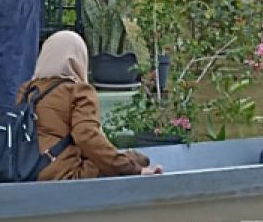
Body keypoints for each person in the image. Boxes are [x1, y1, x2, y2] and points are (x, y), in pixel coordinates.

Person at [20, 31, 162, 181]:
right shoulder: (78, 91)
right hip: (61, 173)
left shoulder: (26, 91)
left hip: (22, 170)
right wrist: (133, 169)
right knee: (138, 159)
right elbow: (87, 136)